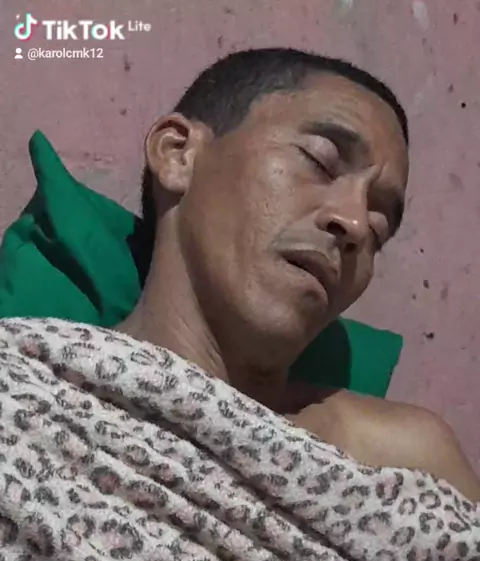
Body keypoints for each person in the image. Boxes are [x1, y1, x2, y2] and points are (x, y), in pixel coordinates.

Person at [119, 47, 480, 502]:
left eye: (379, 225)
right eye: (320, 161)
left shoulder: (403, 466)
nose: (355, 224)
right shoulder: (44, 397)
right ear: (178, 154)